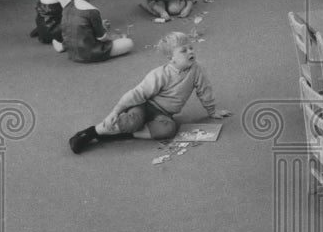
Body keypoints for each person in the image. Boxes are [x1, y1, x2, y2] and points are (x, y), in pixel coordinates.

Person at [69, 31, 230, 153]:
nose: (190, 52)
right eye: (183, 50)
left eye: (191, 48)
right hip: (143, 105)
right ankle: (91, 132)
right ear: (171, 58)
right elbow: (137, 94)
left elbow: (204, 90)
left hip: (164, 113)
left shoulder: (197, 70)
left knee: (168, 129)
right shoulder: (160, 74)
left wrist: (212, 110)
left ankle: (122, 134)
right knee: (133, 121)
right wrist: (115, 111)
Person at [60, 0, 134, 63]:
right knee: (128, 43)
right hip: (89, 53)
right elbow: (102, 38)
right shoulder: (92, 11)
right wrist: (117, 37)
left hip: (72, 52)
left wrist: (100, 25)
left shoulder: (67, 6)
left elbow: (78, 27)